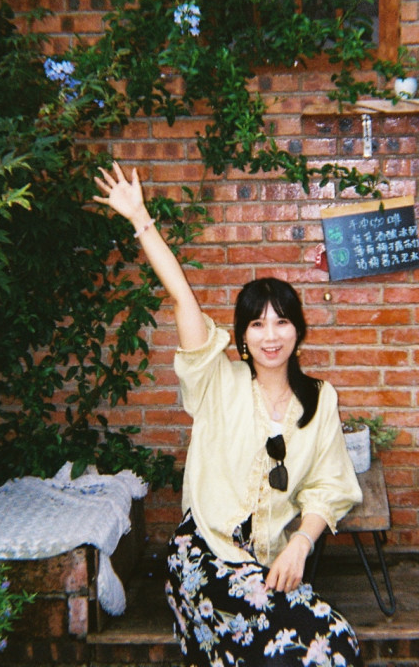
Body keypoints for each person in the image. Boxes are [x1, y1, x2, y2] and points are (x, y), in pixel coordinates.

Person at [94, 162, 364, 667]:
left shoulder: (320, 398)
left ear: (299, 331)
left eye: (282, 323)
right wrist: (140, 220)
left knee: (339, 645)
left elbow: (329, 486)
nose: (270, 336)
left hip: (264, 562)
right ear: (241, 337)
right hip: (203, 554)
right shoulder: (217, 381)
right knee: (287, 654)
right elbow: (182, 297)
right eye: (257, 325)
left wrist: (300, 544)